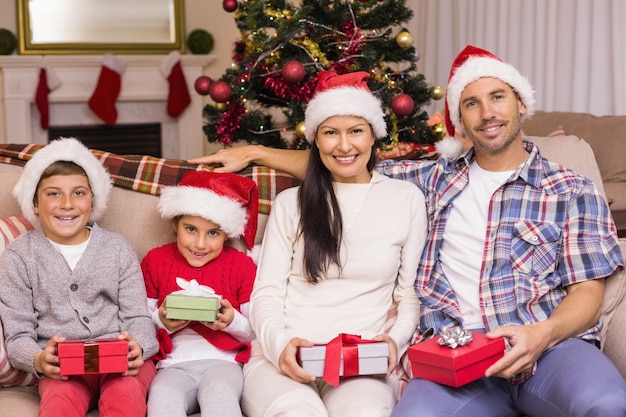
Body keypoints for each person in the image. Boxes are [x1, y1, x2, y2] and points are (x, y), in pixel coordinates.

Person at [190, 45, 626, 417]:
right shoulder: (430, 180)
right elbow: (346, 161)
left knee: (606, 404)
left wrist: (542, 334)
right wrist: (256, 151)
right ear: (459, 118)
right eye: (471, 103)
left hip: (547, 346)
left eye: (498, 97)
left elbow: (588, 293)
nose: (487, 113)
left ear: (521, 104)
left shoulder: (571, 189)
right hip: (454, 354)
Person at [239, 70, 426, 417]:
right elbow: (266, 293)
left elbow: (408, 294)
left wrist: (394, 341)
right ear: (315, 140)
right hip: (285, 360)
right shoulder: (290, 204)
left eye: (355, 131)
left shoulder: (407, 199)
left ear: (374, 136)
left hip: (359, 363)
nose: (343, 146)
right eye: (330, 133)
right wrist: (280, 346)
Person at [0, 137, 159, 417]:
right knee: (59, 404)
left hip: (121, 360)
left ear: (92, 200)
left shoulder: (118, 248)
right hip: (66, 367)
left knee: (125, 398)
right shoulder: (18, 257)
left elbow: (138, 316)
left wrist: (140, 347)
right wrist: (38, 359)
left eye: (78, 193)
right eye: (53, 194)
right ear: (34, 203)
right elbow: (18, 334)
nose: (67, 204)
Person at [141, 170, 258, 417]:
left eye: (213, 233)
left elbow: (254, 331)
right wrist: (162, 322)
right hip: (171, 365)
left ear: (227, 232)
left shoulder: (241, 265)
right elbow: (139, 326)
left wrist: (230, 322)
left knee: (220, 400)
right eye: (191, 229)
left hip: (223, 362)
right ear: (175, 223)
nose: (200, 244)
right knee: (162, 402)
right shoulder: (155, 261)